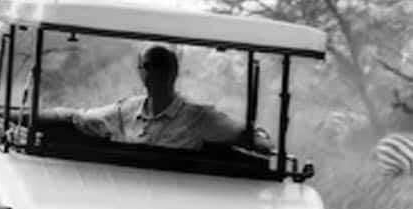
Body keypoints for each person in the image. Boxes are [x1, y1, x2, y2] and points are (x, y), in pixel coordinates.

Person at [38, 45, 272, 152]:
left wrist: (259, 140)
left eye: (162, 66)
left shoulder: (200, 118)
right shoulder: (125, 111)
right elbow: (75, 116)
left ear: (174, 72)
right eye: (149, 66)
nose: (155, 73)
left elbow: (247, 134)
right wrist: (19, 115)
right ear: (141, 72)